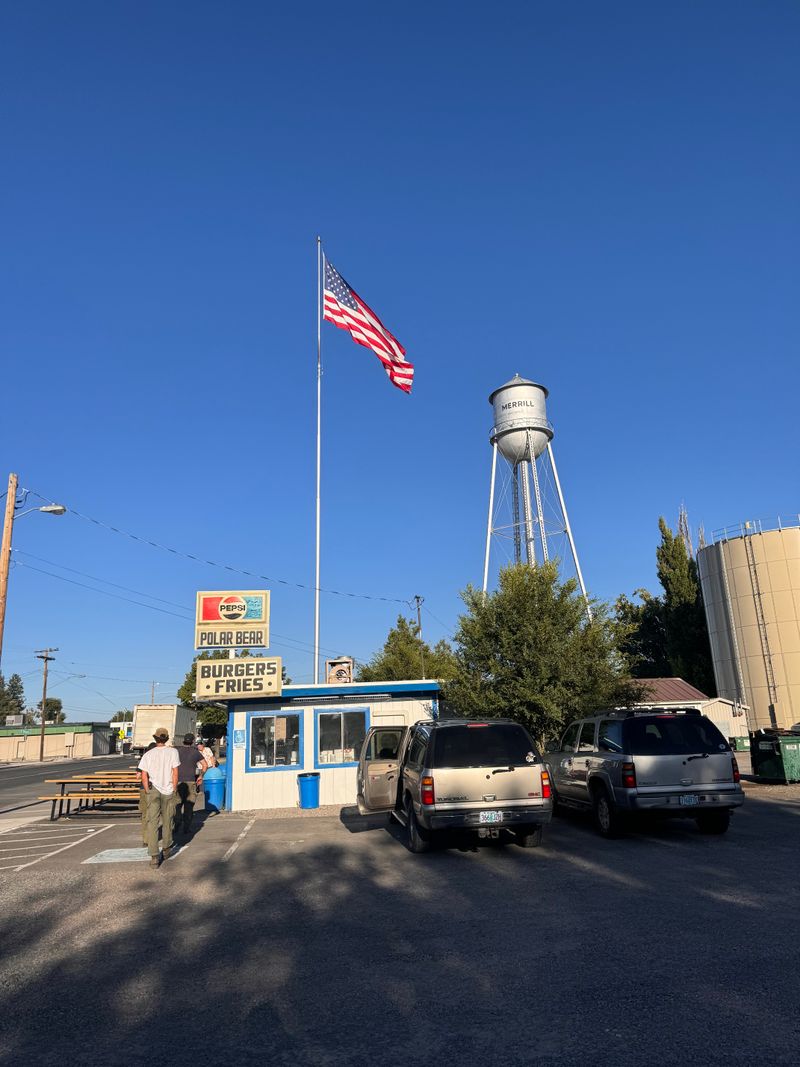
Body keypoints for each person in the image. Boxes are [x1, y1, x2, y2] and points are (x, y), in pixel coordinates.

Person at [138, 727, 180, 868]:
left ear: (155, 739)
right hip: (168, 789)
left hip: (153, 789)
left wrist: (147, 789)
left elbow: (144, 774)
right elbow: (175, 772)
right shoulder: (173, 752)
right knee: (168, 819)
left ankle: (154, 855)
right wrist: (174, 787)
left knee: (152, 822)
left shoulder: (148, 755)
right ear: (166, 739)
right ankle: (167, 848)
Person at [174, 732, 207, 836]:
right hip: (190, 782)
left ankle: (176, 824)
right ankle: (186, 828)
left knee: (177, 805)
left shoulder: (177, 752)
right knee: (189, 806)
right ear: (193, 741)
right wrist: (201, 776)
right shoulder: (195, 752)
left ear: (183, 740)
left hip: (178, 781)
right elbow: (204, 765)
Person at [137, 740, 156, 846]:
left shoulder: (144, 759)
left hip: (143, 789)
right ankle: (154, 835)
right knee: (155, 813)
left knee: (145, 814)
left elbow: (138, 776)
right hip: (156, 787)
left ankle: (146, 839)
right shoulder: (159, 759)